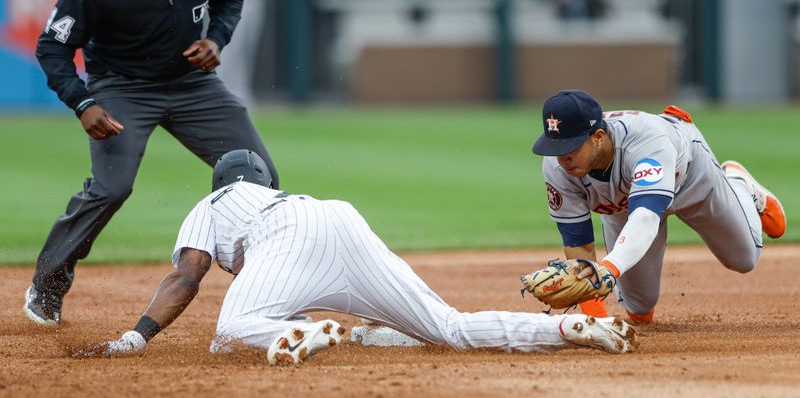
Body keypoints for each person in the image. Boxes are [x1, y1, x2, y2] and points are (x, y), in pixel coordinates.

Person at [80, 149, 637, 364]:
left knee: (231, 327)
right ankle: (571, 330)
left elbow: (187, 275)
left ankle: (294, 338)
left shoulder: (215, 200)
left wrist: (137, 335)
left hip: (286, 237)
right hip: (338, 218)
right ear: (264, 180)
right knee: (450, 327)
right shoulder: (273, 193)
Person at [24, 0, 280, 328]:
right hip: (122, 88)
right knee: (111, 188)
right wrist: (83, 102)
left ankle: (271, 289)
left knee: (260, 175)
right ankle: (47, 284)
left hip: (191, 83)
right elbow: (52, 46)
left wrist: (216, 38)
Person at [531, 90, 787, 322]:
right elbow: (579, 245)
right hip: (626, 207)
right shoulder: (557, 167)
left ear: (598, 137)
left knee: (744, 259)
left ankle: (738, 182)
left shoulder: (646, 142)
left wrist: (609, 268)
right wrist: (594, 321)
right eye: (555, 147)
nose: (562, 158)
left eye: (570, 147)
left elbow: (645, 217)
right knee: (639, 308)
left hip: (690, 178)